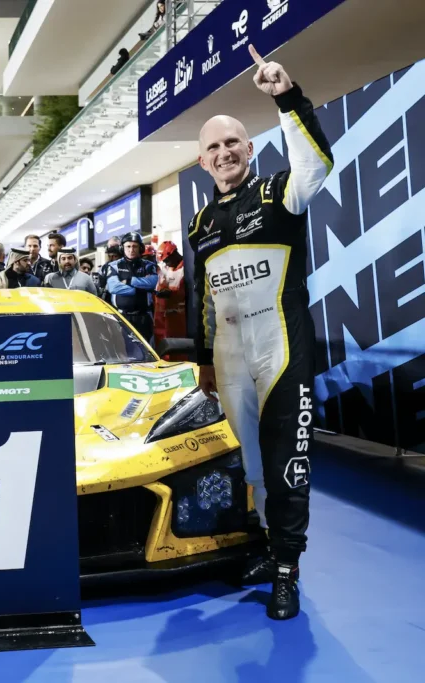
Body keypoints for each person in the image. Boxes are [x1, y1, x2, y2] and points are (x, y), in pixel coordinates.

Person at [188, 45, 333, 620]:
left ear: (250, 149)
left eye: (233, 142)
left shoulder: (280, 192)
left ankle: (287, 573)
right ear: (202, 162)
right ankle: (266, 550)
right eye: (213, 148)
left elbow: (317, 164)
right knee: (248, 466)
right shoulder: (201, 222)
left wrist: (286, 96)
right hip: (229, 359)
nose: (224, 152)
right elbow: (204, 298)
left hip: (280, 349)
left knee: (286, 465)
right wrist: (202, 362)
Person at [105, 232, 158, 342]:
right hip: (121, 316)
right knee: (122, 350)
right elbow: (114, 287)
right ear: (122, 248)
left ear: (141, 248)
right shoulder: (114, 266)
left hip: (144, 317)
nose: (131, 250)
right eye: (128, 246)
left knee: (146, 351)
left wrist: (129, 280)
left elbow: (152, 283)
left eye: (135, 246)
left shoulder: (149, 265)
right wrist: (138, 290)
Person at [153, 241, 186, 356]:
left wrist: (171, 293)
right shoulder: (166, 269)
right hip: (166, 317)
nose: (166, 263)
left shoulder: (186, 268)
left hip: (182, 318)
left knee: (181, 350)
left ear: (174, 254)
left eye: (167, 260)